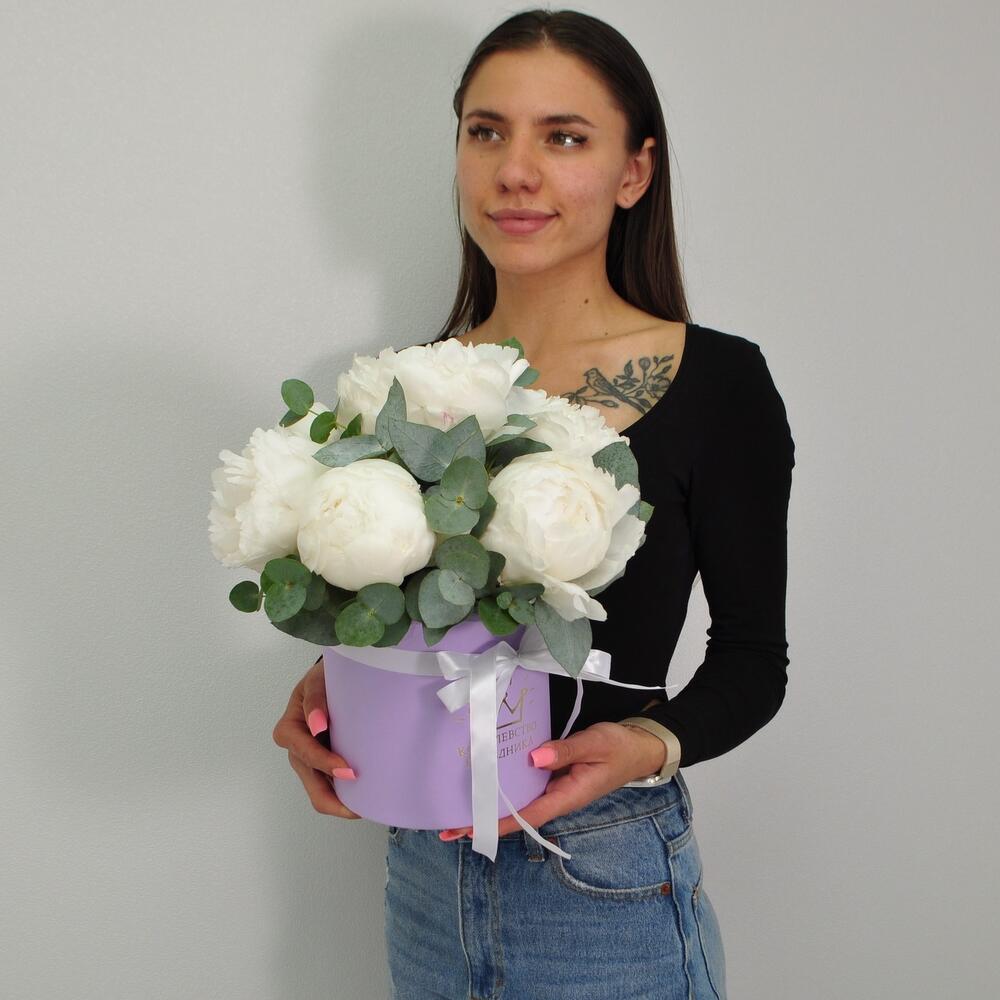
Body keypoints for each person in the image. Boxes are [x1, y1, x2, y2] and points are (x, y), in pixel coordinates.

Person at [272, 8, 795, 998]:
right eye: (487, 131)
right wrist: (334, 690)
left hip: (603, 879)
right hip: (424, 878)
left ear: (634, 171)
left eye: (563, 137)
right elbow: (407, 628)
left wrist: (646, 743)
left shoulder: (716, 384)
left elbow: (752, 660)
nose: (515, 170)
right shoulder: (399, 392)